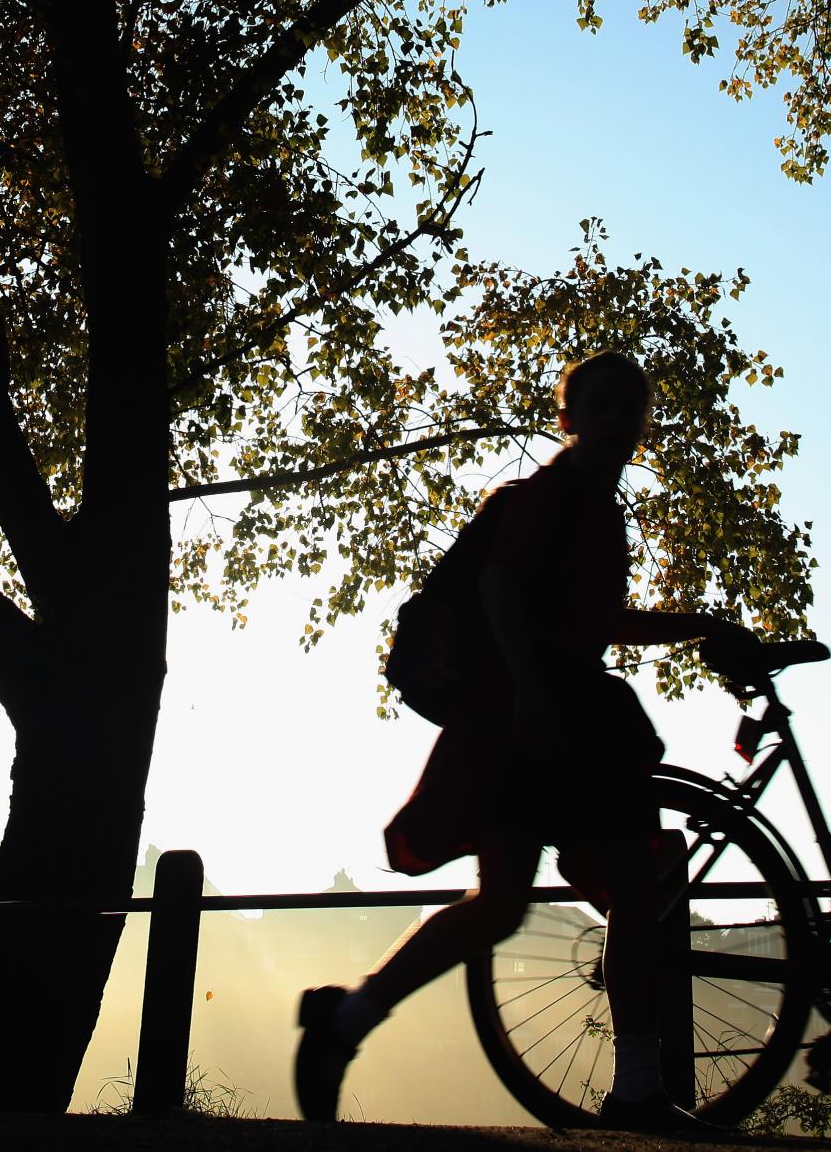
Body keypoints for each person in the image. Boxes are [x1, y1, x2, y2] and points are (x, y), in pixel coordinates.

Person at [293, 349, 754, 1135]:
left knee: (515, 903)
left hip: (550, 715)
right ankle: (636, 1085)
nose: (615, 416)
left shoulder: (598, 511)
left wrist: (700, 625)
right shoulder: (558, 493)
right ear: (568, 417)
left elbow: (597, 622)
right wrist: (534, 686)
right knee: (611, 894)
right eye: (597, 403)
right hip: (544, 716)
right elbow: (499, 584)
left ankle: (348, 1019)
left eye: (628, 405)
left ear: (641, 423)